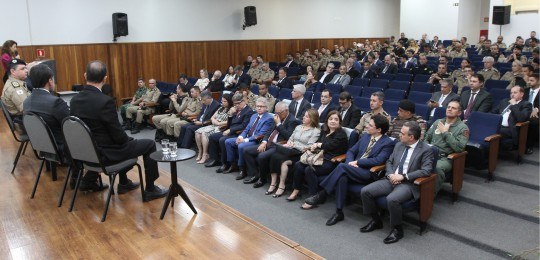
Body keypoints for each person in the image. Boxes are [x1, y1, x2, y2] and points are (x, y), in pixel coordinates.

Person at [70, 60, 167, 199]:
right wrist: (129, 140)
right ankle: (151, 189)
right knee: (148, 144)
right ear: (105, 78)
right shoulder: (105, 101)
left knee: (123, 142)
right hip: (106, 155)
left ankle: (121, 182)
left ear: (85, 76)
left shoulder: (74, 100)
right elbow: (118, 136)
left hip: (87, 153)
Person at [303, 115, 394, 225]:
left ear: (379, 130)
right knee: (342, 177)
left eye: (370, 125)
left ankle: (322, 194)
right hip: (351, 168)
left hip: (368, 173)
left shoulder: (388, 142)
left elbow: (378, 160)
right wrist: (350, 163)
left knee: (341, 167)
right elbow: (351, 151)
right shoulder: (365, 136)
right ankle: (339, 212)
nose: (366, 126)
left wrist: (357, 162)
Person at [360, 121, 434, 244]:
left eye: (402, 133)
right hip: (391, 178)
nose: (399, 135)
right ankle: (376, 220)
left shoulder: (426, 150)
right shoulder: (399, 145)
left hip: (408, 183)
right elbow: (389, 161)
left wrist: (403, 177)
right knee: (365, 191)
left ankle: (397, 229)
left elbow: (426, 171)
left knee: (392, 199)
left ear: (411, 137)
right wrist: (390, 174)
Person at [289, 111, 348, 202]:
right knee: (298, 164)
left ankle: (314, 196)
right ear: (327, 121)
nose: (333, 121)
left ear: (340, 122)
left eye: (336, 119)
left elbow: (330, 145)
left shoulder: (341, 134)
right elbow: (318, 144)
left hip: (331, 161)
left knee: (309, 169)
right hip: (318, 158)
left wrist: (318, 145)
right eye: (330, 119)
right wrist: (314, 147)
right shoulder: (325, 131)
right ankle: (296, 190)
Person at [242, 102, 300, 187]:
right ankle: (255, 174)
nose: (276, 114)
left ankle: (262, 179)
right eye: (275, 112)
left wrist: (279, 124)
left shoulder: (292, 121)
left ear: (286, 111)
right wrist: (264, 142)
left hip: (277, 145)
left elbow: (289, 136)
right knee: (246, 151)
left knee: (261, 156)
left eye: (279, 113)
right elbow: (268, 131)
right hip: (268, 143)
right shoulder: (277, 116)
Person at [266, 109, 320, 197]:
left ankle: (281, 185)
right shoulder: (298, 127)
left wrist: (294, 145)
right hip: (290, 150)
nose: (303, 117)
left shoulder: (316, 131)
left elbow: (309, 147)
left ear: (312, 119)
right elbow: (291, 138)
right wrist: (289, 143)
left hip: (301, 154)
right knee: (274, 156)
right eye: (304, 115)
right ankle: (273, 183)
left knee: (283, 161)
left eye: (306, 116)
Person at [23, 63, 69, 154]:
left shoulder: (26, 102)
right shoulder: (56, 103)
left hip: (40, 146)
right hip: (60, 147)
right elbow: (70, 127)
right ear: (50, 81)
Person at [224, 97, 274, 180]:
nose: (259, 108)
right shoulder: (254, 116)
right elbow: (246, 129)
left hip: (256, 140)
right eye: (257, 106)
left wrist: (245, 140)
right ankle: (232, 164)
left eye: (261, 106)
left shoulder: (269, 118)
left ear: (266, 107)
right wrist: (240, 136)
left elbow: (261, 134)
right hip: (246, 138)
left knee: (241, 146)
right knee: (228, 141)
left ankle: (242, 170)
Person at [425, 101, 469, 193]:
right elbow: (426, 137)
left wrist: (445, 133)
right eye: (448, 107)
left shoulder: (463, 128)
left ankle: (428, 197)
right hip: (430, 153)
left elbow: (459, 148)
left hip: (445, 158)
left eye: (453, 108)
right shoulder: (438, 122)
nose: (449, 109)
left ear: (459, 113)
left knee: (436, 167)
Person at [210, 93, 254, 172]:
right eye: (235, 104)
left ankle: (226, 164)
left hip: (238, 133)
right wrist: (230, 115)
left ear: (243, 101)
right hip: (230, 130)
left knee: (222, 140)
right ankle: (216, 159)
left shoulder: (248, 111)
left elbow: (244, 126)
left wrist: (230, 130)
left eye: (238, 103)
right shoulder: (236, 110)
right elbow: (230, 124)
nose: (236, 106)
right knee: (212, 137)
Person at [194, 94, 232, 164]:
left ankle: (205, 154)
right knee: (197, 132)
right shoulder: (221, 108)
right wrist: (215, 121)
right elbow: (212, 117)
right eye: (222, 101)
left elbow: (229, 121)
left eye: (225, 101)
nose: (222, 102)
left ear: (229, 101)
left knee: (204, 133)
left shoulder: (231, 110)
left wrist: (218, 123)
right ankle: (200, 152)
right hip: (214, 125)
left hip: (220, 127)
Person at [1, 59, 30, 124]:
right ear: (13, 71)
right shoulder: (15, 88)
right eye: (22, 69)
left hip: (24, 118)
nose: (26, 71)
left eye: (26, 68)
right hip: (24, 121)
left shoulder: (15, 82)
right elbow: (26, 108)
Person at [524, 74, 539, 154]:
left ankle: (529, 146)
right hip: (524, 111)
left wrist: (536, 109)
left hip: (535, 113)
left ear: (538, 82)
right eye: (528, 80)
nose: (529, 82)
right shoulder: (525, 90)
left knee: (534, 121)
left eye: (531, 80)